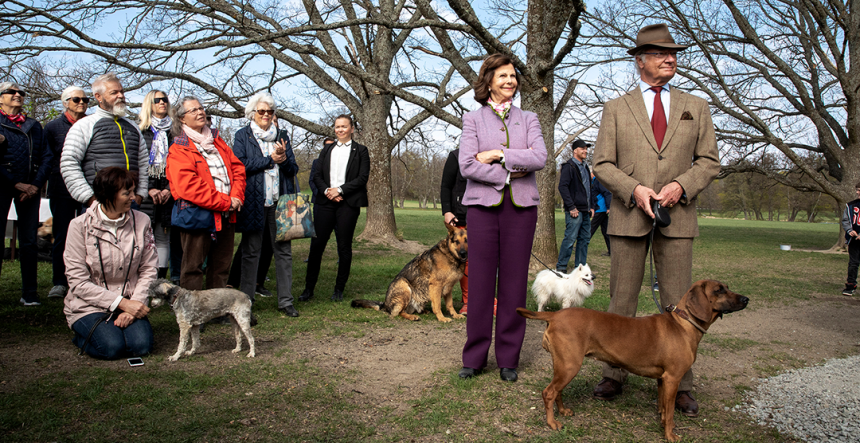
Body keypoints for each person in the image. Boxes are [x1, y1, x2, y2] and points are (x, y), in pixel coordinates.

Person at [591, 23, 720, 416]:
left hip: (678, 218)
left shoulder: (695, 106)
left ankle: (682, 383)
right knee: (621, 300)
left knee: (684, 303)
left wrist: (682, 185)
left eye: (674, 53)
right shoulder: (616, 108)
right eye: (661, 53)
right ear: (640, 61)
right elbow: (601, 164)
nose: (670, 58)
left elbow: (710, 161)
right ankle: (615, 373)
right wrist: (635, 189)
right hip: (629, 216)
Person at [456, 54, 547, 383]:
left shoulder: (530, 118)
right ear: (489, 81)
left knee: (513, 284)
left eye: (513, 76)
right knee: (480, 283)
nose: (510, 81)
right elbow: (467, 165)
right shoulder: (473, 120)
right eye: (503, 76)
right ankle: (474, 358)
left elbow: (539, 157)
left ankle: (509, 358)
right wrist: (507, 174)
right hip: (482, 209)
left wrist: (498, 155)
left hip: (521, 211)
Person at [64, 167, 157, 359]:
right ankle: (82, 334)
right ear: (107, 195)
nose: (133, 197)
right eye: (127, 193)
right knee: (111, 348)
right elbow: (78, 282)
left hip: (131, 300)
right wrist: (121, 303)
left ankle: (113, 331)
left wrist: (135, 304)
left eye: (133, 191)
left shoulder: (143, 221)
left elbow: (149, 269)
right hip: (89, 305)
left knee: (141, 346)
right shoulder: (79, 226)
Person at [165, 97, 246, 291]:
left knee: (220, 266)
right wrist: (226, 202)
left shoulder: (218, 141)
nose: (200, 112)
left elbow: (238, 169)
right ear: (182, 119)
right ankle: (192, 316)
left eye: (201, 108)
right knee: (193, 268)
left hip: (226, 215)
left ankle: (216, 311)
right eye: (193, 110)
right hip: (197, 216)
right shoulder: (179, 148)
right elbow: (189, 187)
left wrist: (236, 197)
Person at [232, 93, 300, 317]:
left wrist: (283, 158)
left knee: (284, 252)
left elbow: (293, 169)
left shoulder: (282, 135)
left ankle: (286, 301)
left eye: (270, 112)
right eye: (262, 112)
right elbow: (239, 164)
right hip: (254, 200)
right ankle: (246, 303)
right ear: (253, 113)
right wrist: (270, 159)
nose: (266, 115)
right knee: (251, 252)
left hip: (281, 202)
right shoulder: (243, 135)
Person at [298, 115, 369, 303]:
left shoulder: (361, 151)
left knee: (344, 247)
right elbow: (317, 175)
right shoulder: (327, 149)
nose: (340, 130)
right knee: (316, 246)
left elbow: (362, 178)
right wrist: (327, 191)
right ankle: (308, 289)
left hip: (348, 204)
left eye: (344, 126)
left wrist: (340, 190)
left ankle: (339, 289)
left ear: (352, 128)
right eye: (337, 127)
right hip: (325, 202)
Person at [61, 72, 149, 208]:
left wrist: (140, 194)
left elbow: (143, 163)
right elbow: (69, 162)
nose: (120, 96)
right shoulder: (84, 125)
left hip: (131, 204)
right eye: (114, 92)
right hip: (99, 204)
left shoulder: (133, 127)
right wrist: (89, 198)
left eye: (121, 92)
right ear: (98, 97)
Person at [0, 81, 52, 306]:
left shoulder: (33, 125)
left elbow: (47, 156)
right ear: (0, 98)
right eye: (11, 92)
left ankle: (29, 294)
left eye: (21, 92)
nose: (17, 95)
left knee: (29, 241)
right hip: (3, 187)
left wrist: (35, 184)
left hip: (30, 191)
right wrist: (15, 183)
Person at [45, 86, 90, 300]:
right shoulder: (53, 127)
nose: (81, 103)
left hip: (87, 189)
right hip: (61, 188)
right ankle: (60, 282)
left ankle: (84, 282)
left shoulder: (92, 124)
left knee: (87, 236)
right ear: (65, 103)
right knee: (62, 236)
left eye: (85, 99)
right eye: (76, 100)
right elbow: (48, 157)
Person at [138, 90, 176, 280]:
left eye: (165, 100)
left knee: (163, 236)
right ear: (149, 104)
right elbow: (138, 164)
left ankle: (159, 279)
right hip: (145, 193)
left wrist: (169, 189)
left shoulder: (176, 133)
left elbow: (179, 164)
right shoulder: (140, 131)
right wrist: (148, 188)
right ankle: (142, 278)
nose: (162, 102)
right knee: (142, 237)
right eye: (157, 100)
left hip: (168, 192)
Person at [556, 139, 593, 272]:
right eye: (582, 148)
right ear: (575, 150)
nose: (585, 151)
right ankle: (561, 267)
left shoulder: (586, 167)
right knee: (570, 239)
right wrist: (571, 207)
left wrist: (592, 206)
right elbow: (563, 187)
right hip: (575, 211)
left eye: (586, 148)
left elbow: (589, 188)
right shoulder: (569, 166)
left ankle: (580, 269)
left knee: (584, 240)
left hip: (586, 210)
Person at [440, 148, 469, 315]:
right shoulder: (456, 156)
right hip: (460, 216)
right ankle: (468, 301)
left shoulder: (492, 154)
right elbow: (446, 185)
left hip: (485, 213)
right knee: (464, 260)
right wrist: (447, 210)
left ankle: (488, 299)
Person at [841, 183, 860, 296]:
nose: (857, 192)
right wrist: (849, 230)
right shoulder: (850, 205)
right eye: (857, 190)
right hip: (854, 241)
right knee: (853, 263)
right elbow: (845, 220)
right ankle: (850, 285)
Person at [590, 172, 612, 256]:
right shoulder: (593, 182)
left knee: (591, 227)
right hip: (600, 209)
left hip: (601, 209)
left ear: (593, 173)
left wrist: (608, 207)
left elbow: (607, 193)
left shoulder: (598, 181)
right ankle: (611, 251)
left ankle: (580, 246)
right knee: (605, 231)